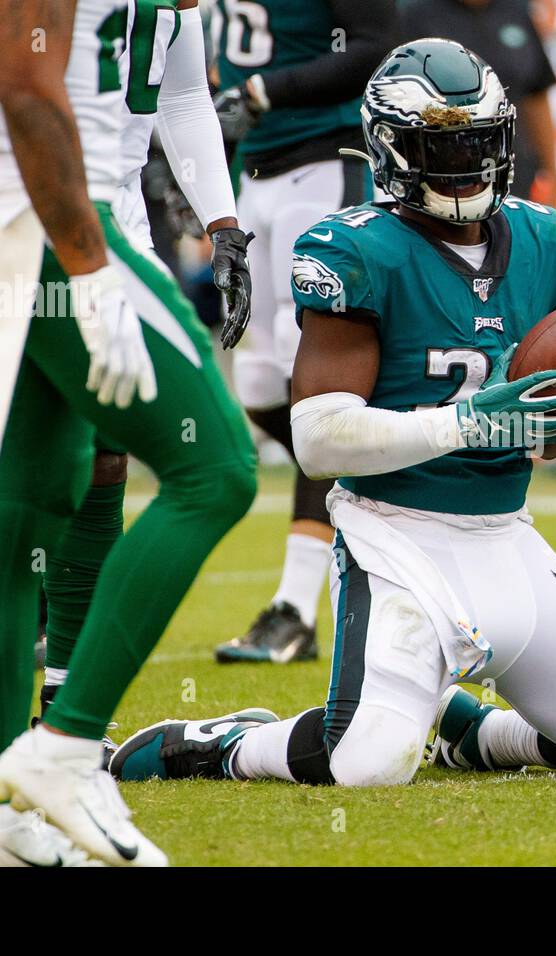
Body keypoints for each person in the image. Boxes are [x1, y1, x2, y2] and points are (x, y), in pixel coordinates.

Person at [110, 39, 556, 790]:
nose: (466, 165)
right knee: (368, 763)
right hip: (397, 543)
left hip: (507, 540)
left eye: (479, 143)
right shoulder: (358, 248)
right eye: (441, 148)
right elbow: (317, 439)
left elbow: (540, 446)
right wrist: (468, 423)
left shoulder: (544, 242)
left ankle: (474, 736)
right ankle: (220, 744)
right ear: (391, 150)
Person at [0, 0, 257, 866]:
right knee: (217, 469)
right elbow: (26, 86)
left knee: (24, 501)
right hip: (43, 220)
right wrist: (87, 267)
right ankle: (68, 747)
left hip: (6, 214)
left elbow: (174, 88)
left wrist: (218, 220)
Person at [209, 0, 397, 666]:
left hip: (324, 162)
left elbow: (373, 43)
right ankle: (378, 488)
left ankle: (296, 607)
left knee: (314, 387)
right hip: (253, 171)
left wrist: (266, 91)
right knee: (260, 381)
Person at [395, 0, 556, 204]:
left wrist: (553, 170)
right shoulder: (413, 14)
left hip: (513, 164)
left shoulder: (517, 10)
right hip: (445, 168)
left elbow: (536, 93)